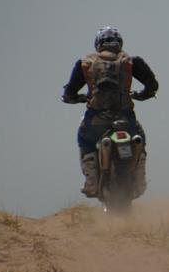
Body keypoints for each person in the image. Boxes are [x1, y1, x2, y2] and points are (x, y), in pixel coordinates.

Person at [61, 26, 158, 199]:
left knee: (84, 139)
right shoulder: (130, 61)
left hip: (96, 119)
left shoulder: (85, 63)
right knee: (140, 139)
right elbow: (152, 85)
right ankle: (139, 177)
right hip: (125, 118)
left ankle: (91, 181)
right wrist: (144, 95)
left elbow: (69, 92)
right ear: (119, 43)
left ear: (98, 44)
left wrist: (73, 97)